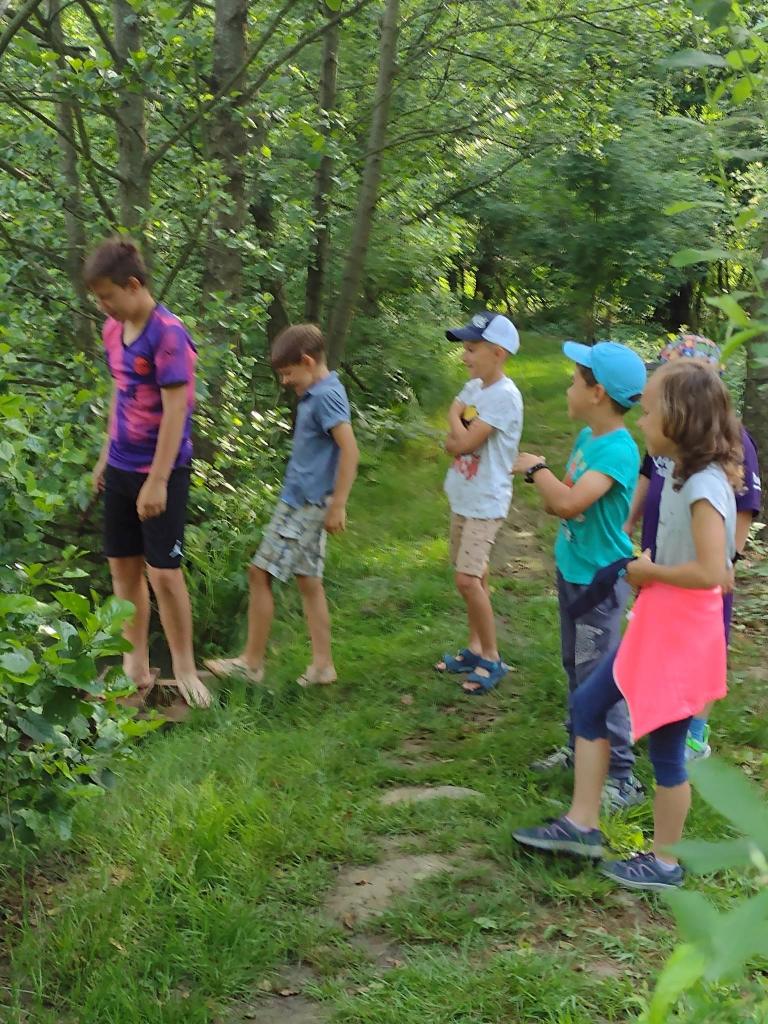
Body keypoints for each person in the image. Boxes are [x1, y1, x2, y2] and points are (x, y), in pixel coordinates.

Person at [513, 360, 741, 890]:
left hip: (681, 635)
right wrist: (655, 568)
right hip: (661, 622)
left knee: (666, 751)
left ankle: (665, 864)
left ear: (679, 418)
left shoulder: (705, 486)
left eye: (651, 411)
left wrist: (649, 571)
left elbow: (716, 573)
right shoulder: (679, 472)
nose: (641, 420)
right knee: (588, 705)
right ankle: (582, 825)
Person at [513, 341, 647, 811]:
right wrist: (552, 486)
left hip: (599, 584)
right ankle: (581, 749)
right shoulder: (589, 437)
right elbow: (563, 501)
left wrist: (536, 469)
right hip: (574, 571)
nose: (568, 389)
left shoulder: (618, 450)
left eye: (574, 381)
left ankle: (621, 777)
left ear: (597, 393)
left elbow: (567, 502)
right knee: (576, 666)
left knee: (599, 677)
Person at [624, 334, 762, 759]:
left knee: (701, 649)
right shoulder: (666, 437)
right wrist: (629, 521)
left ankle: (693, 732)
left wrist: (729, 558)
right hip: (665, 550)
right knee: (661, 637)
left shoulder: (731, 441)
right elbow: (648, 475)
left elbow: (743, 505)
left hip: (703, 565)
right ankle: (661, 716)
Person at [87, 237, 211, 708]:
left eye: (108, 296)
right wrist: (105, 455)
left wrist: (157, 480)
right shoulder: (112, 331)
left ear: (134, 285)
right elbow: (119, 393)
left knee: (164, 573)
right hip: (121, 466)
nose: (104, 306)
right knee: (123, 569)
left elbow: (178, 410)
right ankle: (133, 666)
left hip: (163, 471)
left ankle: (185, 669)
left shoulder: (169, 334)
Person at [205, 324, 358, 688]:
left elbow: (350, 450)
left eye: (289, 373)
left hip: (305, 504)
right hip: (305, 500)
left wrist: (338, 504)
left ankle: (251, 664)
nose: (286, 382)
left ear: (308, 361)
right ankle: (322, 666)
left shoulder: (325, 396)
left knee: (259, 574)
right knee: (309, 581)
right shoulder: (319, 392)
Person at [434, 311, 524, 695]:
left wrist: (456, 423)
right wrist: (457, 427)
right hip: (464, 496)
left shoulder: (504, 396)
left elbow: (464, 443)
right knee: (475, 576)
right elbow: (451, 439)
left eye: (472, 349)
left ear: (498, 353)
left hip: (487, 501)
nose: (464, 356)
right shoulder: (474, 388)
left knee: (467, 580)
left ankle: (491, 656)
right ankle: (475, 647)